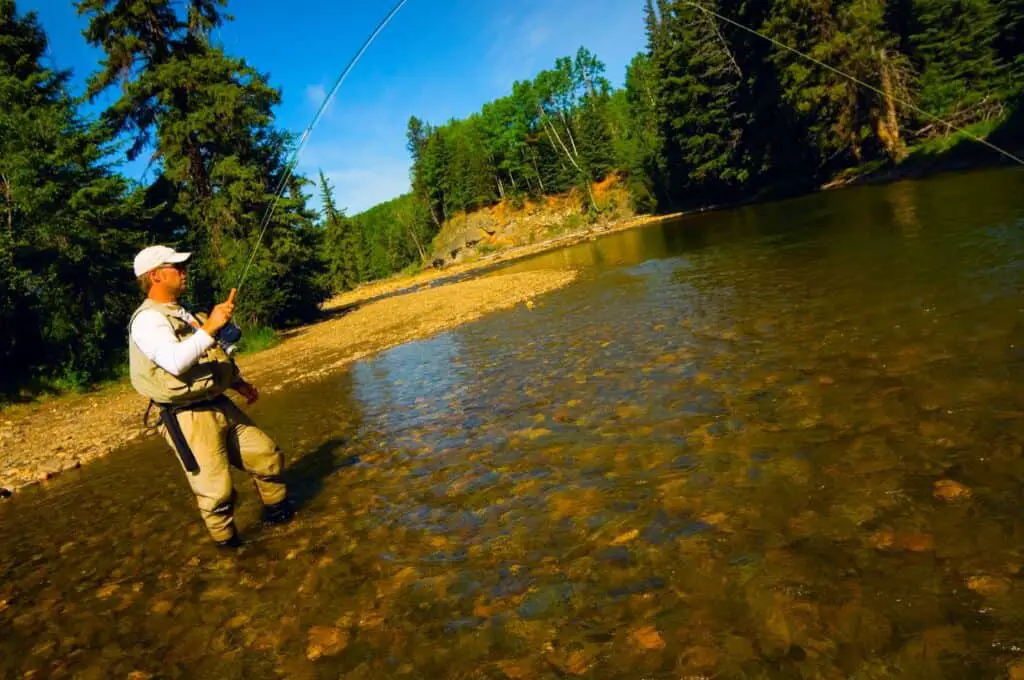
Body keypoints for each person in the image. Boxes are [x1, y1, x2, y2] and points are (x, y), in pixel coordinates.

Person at [128, 245, 293, 548]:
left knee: (268, 458)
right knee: (217, 493)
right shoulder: (147, 320)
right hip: (186, 418)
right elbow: (175, 361)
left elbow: (207, 357)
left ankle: (283, 524)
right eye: (176, 267)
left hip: (219, 403)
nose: (183, 271)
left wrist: (238, 383)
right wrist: (211, 326)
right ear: (155, 276)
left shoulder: (184, 312)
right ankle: (232, 554)